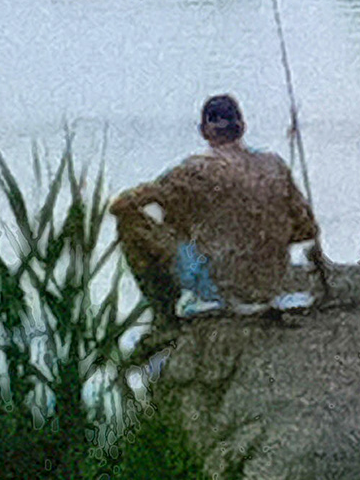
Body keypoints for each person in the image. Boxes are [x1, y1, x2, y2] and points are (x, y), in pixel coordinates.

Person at [110, 94, 321, 321]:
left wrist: (183, 219)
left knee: (130, 221)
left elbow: (121, 205)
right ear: (242, 128)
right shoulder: (274, 165)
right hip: (270, 285)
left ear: (204, 131)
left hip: (220, 288)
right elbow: (307, 230)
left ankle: (165, 316)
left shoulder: (194, 170)